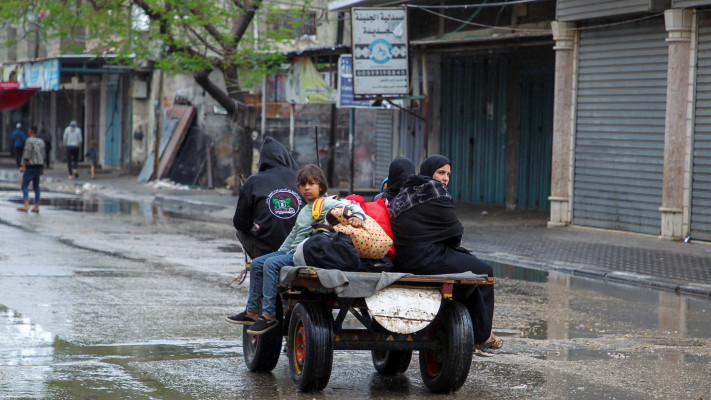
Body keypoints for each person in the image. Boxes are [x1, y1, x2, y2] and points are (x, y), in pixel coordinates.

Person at [227, 164, 366, 335]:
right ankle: (252, 312)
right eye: (302, 184)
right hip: (291, 251)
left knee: (270, 265)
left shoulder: (325, 203)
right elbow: (292, 236)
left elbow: (351, 206)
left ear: (321, 186)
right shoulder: (305, 209)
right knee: (257, 263)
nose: (306, 188)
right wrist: (278, 253)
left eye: (311, 183)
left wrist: (358, 217)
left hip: (304, 254)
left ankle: (269, 316)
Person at [388, 154, 501, 350]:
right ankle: (482, 334)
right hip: (429, 259)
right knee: (484, 271)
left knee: (468, 264)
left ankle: (470, 327)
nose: (445, 178)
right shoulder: (434, 189)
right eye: (441, 172)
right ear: (428, 173)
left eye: (448, 174)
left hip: (403, 260)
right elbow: (456, 232)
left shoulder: (403, 193)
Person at [231, 137, 303, 264]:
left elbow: (240, 224)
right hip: (301, 249)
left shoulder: (253, 181)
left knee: (241, 232)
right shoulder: (303, 179)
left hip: (266, 251)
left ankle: (260, 261)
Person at [17, 126, 45, 213]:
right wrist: (43, 168)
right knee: (36, 187)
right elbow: (43, 155)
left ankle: (26, 204)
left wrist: (23, 166)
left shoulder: (29, 141)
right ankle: (36, 206)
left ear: (30, 132)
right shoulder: (41, 141)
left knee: (24, 185)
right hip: (39, 166)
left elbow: (27, 154)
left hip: (31, 166)